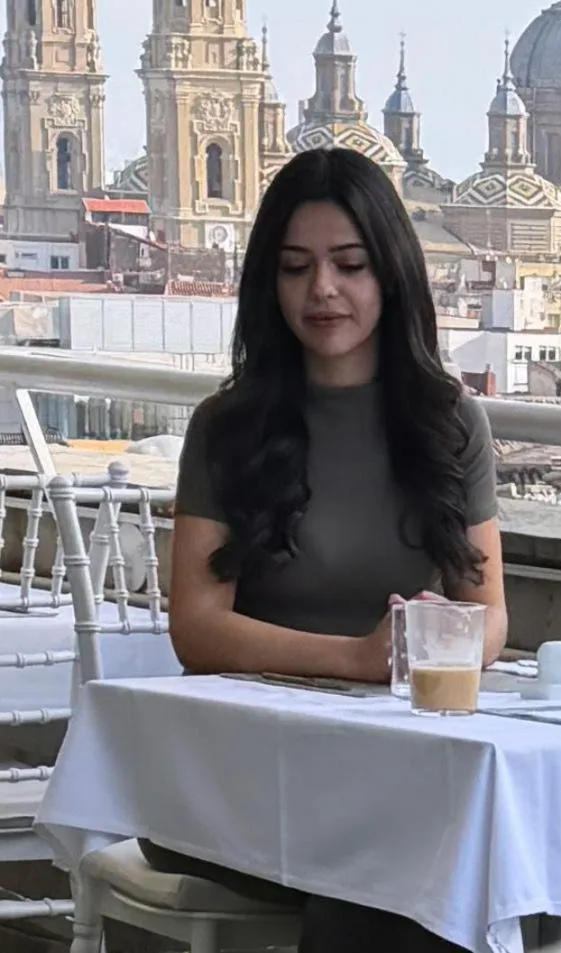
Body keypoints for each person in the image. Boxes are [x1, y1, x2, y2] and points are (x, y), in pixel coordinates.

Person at [142, 147, 507, 952]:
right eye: (295, 268)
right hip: (239, 779)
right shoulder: (227, 427)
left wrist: (427, 654)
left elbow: (488, 617)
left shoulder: (451, 424)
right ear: (268, 285)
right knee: (402, 870)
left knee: (478, 859)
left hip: (400, 768)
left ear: (392, 273)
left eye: (349, 264)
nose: (322, 291)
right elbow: (196, 629)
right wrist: (360, 657)